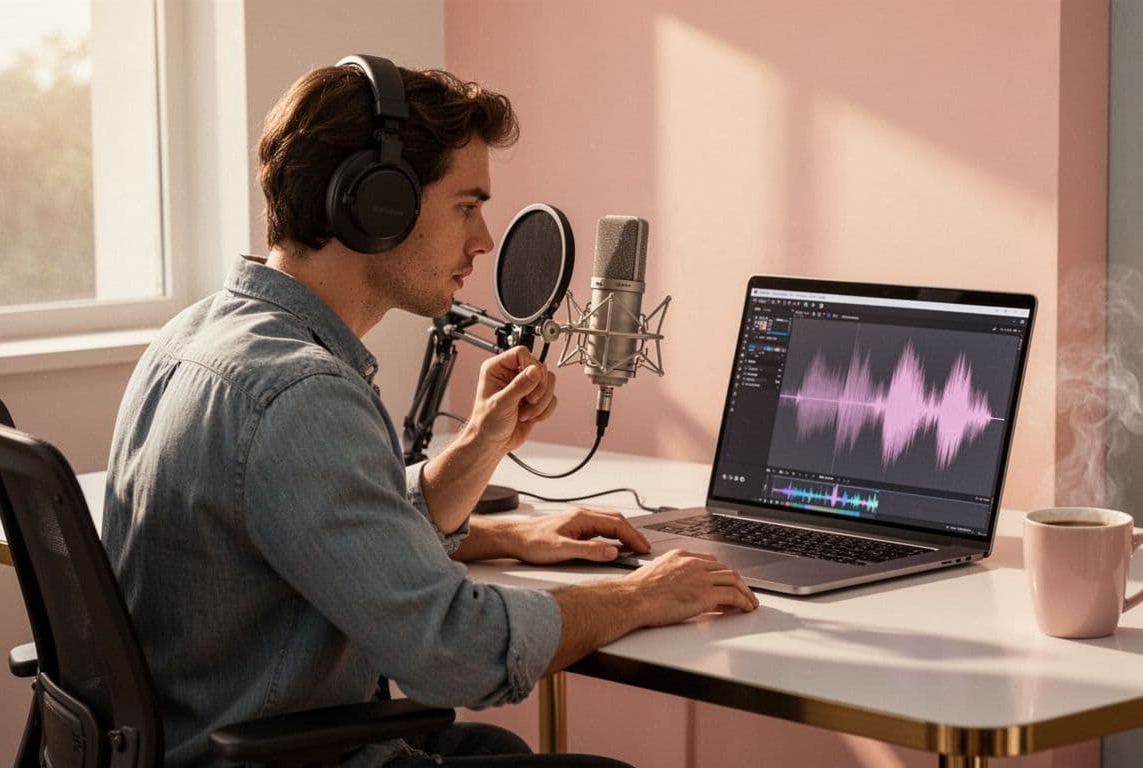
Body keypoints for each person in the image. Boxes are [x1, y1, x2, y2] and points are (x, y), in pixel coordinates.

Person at [102, 57, 757, 768]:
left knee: (491, 749)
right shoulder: (299, 393)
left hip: (201, 739)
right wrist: (637, 597)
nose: (482, 240)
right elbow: (455, 653)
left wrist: (487, 466)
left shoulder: (197, 337)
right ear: (376, 206)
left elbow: (318, 526)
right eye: (466, 206)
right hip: (280, 755)